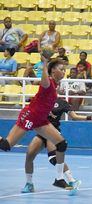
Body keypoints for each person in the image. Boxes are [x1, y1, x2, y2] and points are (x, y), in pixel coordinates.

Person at [0, 56, 73, 190]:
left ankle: (59, 179)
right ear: (53, 71)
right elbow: (44, 81)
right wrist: (45, 63)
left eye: (64, 70)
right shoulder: (49, 83)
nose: (64, 72)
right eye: (61, 69)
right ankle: (30, 183)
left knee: (62, 144)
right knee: (6, 145)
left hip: (41, 119)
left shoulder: (55, 85)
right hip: (29, 116)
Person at [21, 97, 92, 193]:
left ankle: (72, 181)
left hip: (53, 132)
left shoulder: (62, 102)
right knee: (29, 155)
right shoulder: (40, 98)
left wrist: (90, 117)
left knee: (54, 158)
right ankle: (29, 184)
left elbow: (74, 116)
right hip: (41, 132)